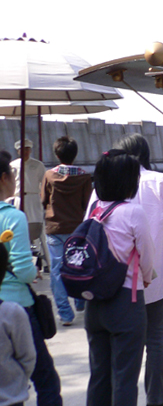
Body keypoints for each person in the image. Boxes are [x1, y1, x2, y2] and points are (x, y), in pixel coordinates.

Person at [114, 134, 163, 406]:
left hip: (118, 280)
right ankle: (156, 400)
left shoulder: (109, 184)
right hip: (156, 275)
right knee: (155, 339)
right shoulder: (160, 181)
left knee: (123, 344)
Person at [84, 149, 155, 406]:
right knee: (124, 377)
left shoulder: (94, 209)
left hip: (94, 301)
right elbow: (147, 259)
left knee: (99, 375)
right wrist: (147, 277)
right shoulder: (133, 212)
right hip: (126, 301)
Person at [0, 149, 62, 406]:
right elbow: (24, 271)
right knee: (45, 378)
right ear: (4, 178)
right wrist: (33, 271)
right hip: (17, 306)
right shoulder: (13, 217)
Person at [41, 137, 92, 327]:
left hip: (54, 228)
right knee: (78, 265)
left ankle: (65, 314)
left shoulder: (49, 175)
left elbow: (43, 199)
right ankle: (80, 301)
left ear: (57, 154)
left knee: (56, 271)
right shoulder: (84, 177)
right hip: (78, 229)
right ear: (75, 154)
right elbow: (87, 205)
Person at [0, 230, 36, 406]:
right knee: (47, 376)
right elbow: (27, 356)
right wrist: (17, 382)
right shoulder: (12, 313)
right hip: (11, 396)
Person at [11, 139, 49, 274]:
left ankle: (47, 262)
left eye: (27, 148)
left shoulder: (38, 165)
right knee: (19, 231)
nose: (25, 151)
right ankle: (22, 262)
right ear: (18, 151)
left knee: (39, 231)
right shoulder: (13, 165)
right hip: (18, 198)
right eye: (22, 149)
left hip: (34, 198)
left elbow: (44, 184)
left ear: (30, 150)